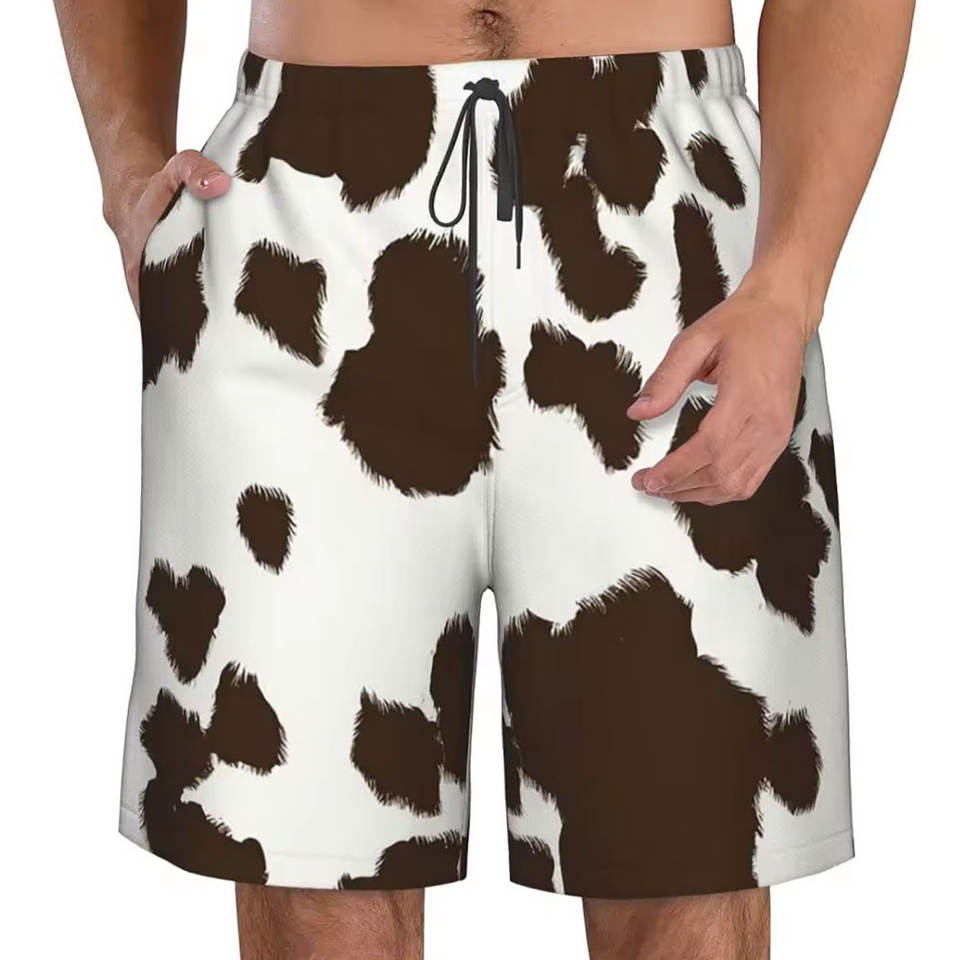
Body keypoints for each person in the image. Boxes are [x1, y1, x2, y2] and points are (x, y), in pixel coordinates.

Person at [53, 1, 914, 957]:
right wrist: (127, 167)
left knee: (689, 881)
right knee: (312, 897)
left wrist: (789, 286)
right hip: (301, 230)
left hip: (666, 239)